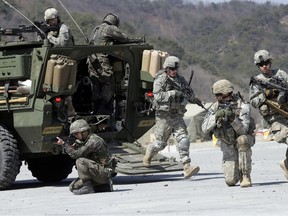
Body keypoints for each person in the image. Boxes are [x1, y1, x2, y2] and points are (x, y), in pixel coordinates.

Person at [142, 56, 200, 179]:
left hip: (177, 115)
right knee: (160, 144)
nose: (174, 71)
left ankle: (187, 165)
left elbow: (189, 93)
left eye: (176, 68)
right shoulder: (161, 80)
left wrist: (191, 98)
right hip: (164, 117)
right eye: (172, 69)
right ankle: (149, 152)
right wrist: (173, 93)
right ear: (167, 68)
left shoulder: (180, 80)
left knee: (183, 139)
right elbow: (157, 96)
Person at [202, 79, 255, 187]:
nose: (216, 97)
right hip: (227, 143)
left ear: (226, 93)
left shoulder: (243, 106)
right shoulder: (215, 107)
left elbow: (243, 130)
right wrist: (215, 116)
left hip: (242, 139)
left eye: (218, 95)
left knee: (242, 140)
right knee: (230, 181)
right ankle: (237, 173)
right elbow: (204, 128)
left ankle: (245, 175)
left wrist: (232, 118)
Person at [87, 13, 143, 114]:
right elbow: (123, 38)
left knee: (97, 84)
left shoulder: (96, 29)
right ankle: (103, 109)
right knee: (109, 83)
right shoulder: (110, 28)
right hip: (102, 60)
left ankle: (96, 108)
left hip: (92, 60)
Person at [249, 49, 288, 180]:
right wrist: (265, 94)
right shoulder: (256, 81)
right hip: (274, 118)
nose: (264, 66)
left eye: (266, 62)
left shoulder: (281, 74)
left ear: (270, 62)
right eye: (261, 64)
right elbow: (253, 102)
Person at [56, 119, 115, 195]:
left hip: (104, 173)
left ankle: (88, 187)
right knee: (73, 187)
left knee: (80, 161)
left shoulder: (93, 141)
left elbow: (76, 155)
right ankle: (104, 186)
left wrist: (64, 144)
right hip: (96, 172)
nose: (75, 136)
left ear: (84, 132)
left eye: (76, 134)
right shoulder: (86, 140)